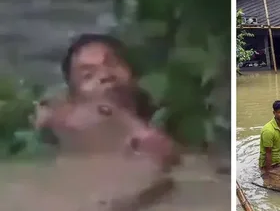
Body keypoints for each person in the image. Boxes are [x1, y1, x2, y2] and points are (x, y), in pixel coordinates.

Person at [32, 33, 179, 168]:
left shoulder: (172, 116)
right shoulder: (65, 123)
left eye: (112, 63)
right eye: (88, 75)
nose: (104, 75)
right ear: (74, 97)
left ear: (134, 74)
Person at [259, 100, 280, 172]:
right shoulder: (268, 130)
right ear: (274, 113)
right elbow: (268, 152)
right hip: (267, 164)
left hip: (278, 161)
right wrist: (268, 172)